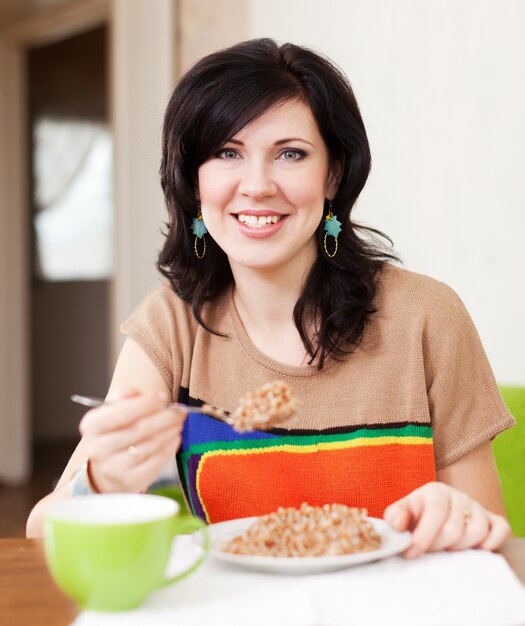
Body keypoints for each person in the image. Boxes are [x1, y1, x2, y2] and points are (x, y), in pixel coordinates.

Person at [27, 38, 515, 557]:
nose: (256, 185)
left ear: (333, 174)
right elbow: (41, 530)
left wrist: (458, 518)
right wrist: (101, 482)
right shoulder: (173, 325)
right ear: (195, 181)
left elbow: (489, 533)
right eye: (227, 152)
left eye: (290, 154)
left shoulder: (426, 316)